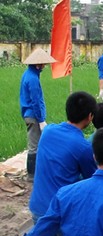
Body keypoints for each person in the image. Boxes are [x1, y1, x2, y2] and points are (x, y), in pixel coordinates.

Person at [4, 92, 97, 236]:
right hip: (61, 208)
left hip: (37, 204)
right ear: (90, 117)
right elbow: (94, 178)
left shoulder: (49, 132)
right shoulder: (82, 146)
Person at [20, 48, 56, 180]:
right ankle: (32, 175)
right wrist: (41, 119)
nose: (44, 67)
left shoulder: (28, 74)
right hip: (33, 115)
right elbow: (35, 101)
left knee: (37, 144)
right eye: (43, 64)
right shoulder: (33, 79)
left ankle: (36, 173)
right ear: (38, 64)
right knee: (34, 145)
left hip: (30, 114)